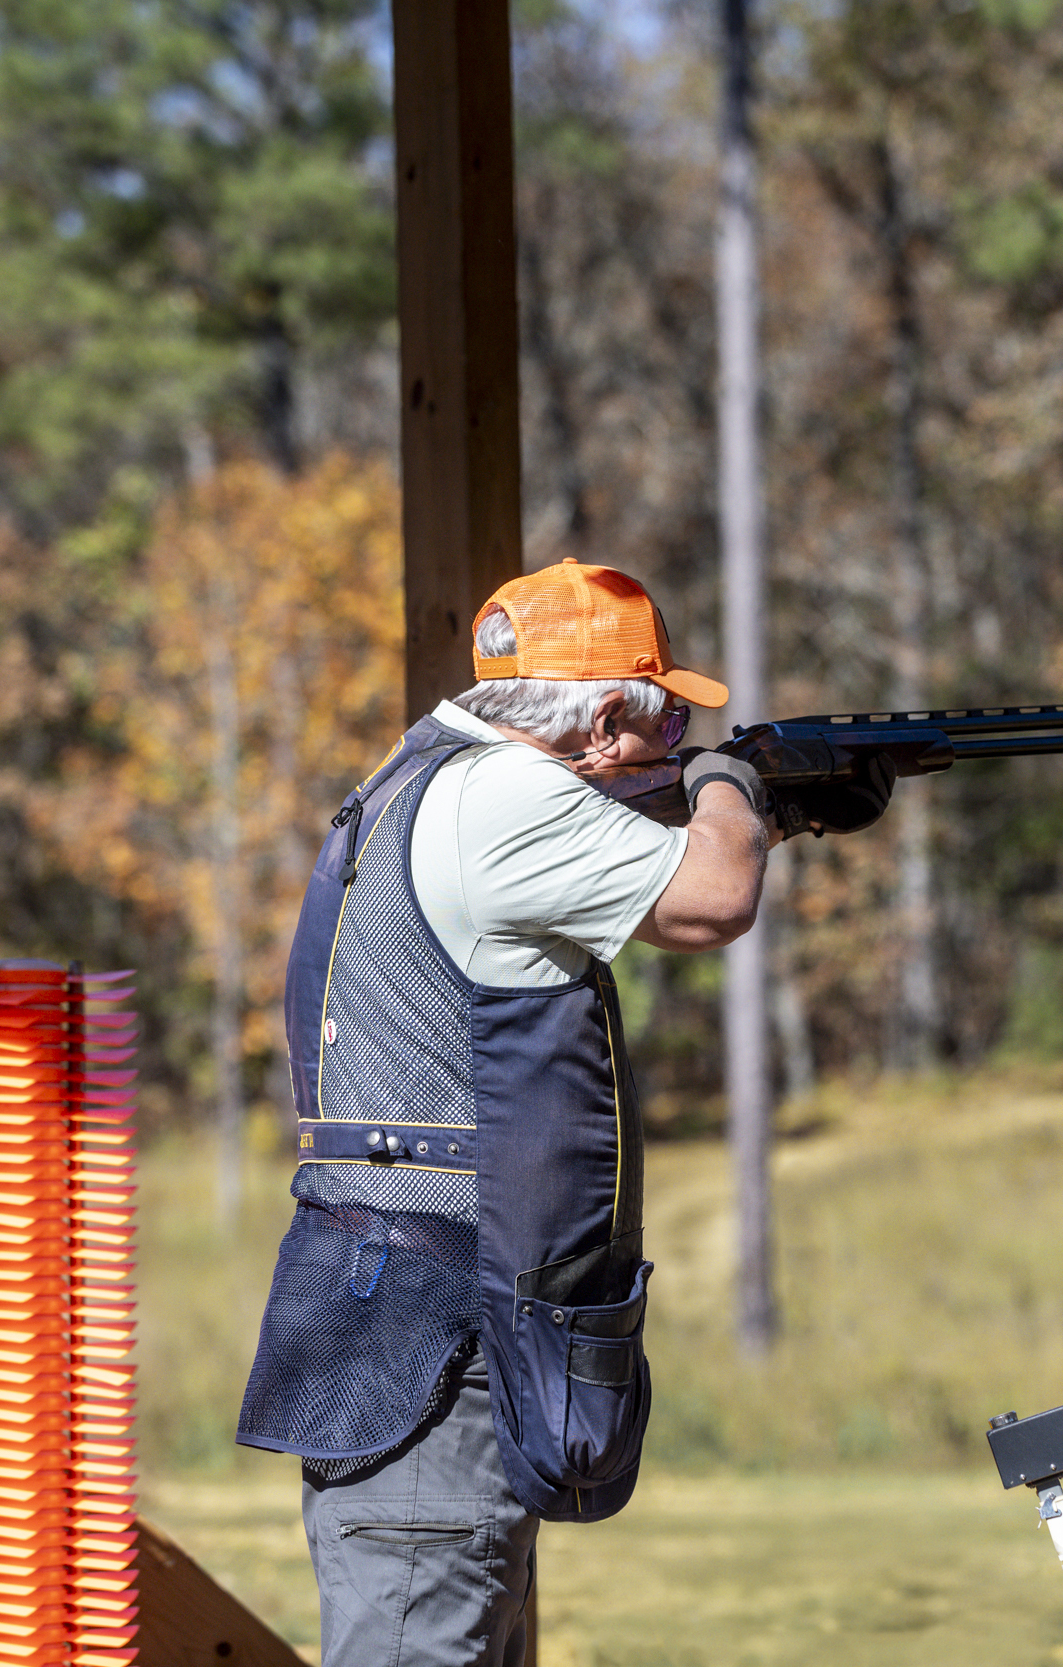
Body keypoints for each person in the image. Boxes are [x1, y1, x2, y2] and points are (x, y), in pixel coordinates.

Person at [236, 558, 890, 1667]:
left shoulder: (423, 776)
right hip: (437, 1339)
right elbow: (712, 897)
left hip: (399, 1306)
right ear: (599, 720)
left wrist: (760, 809)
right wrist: (735, 787)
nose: (677, 734)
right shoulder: (509, 796)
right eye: (665, 714)